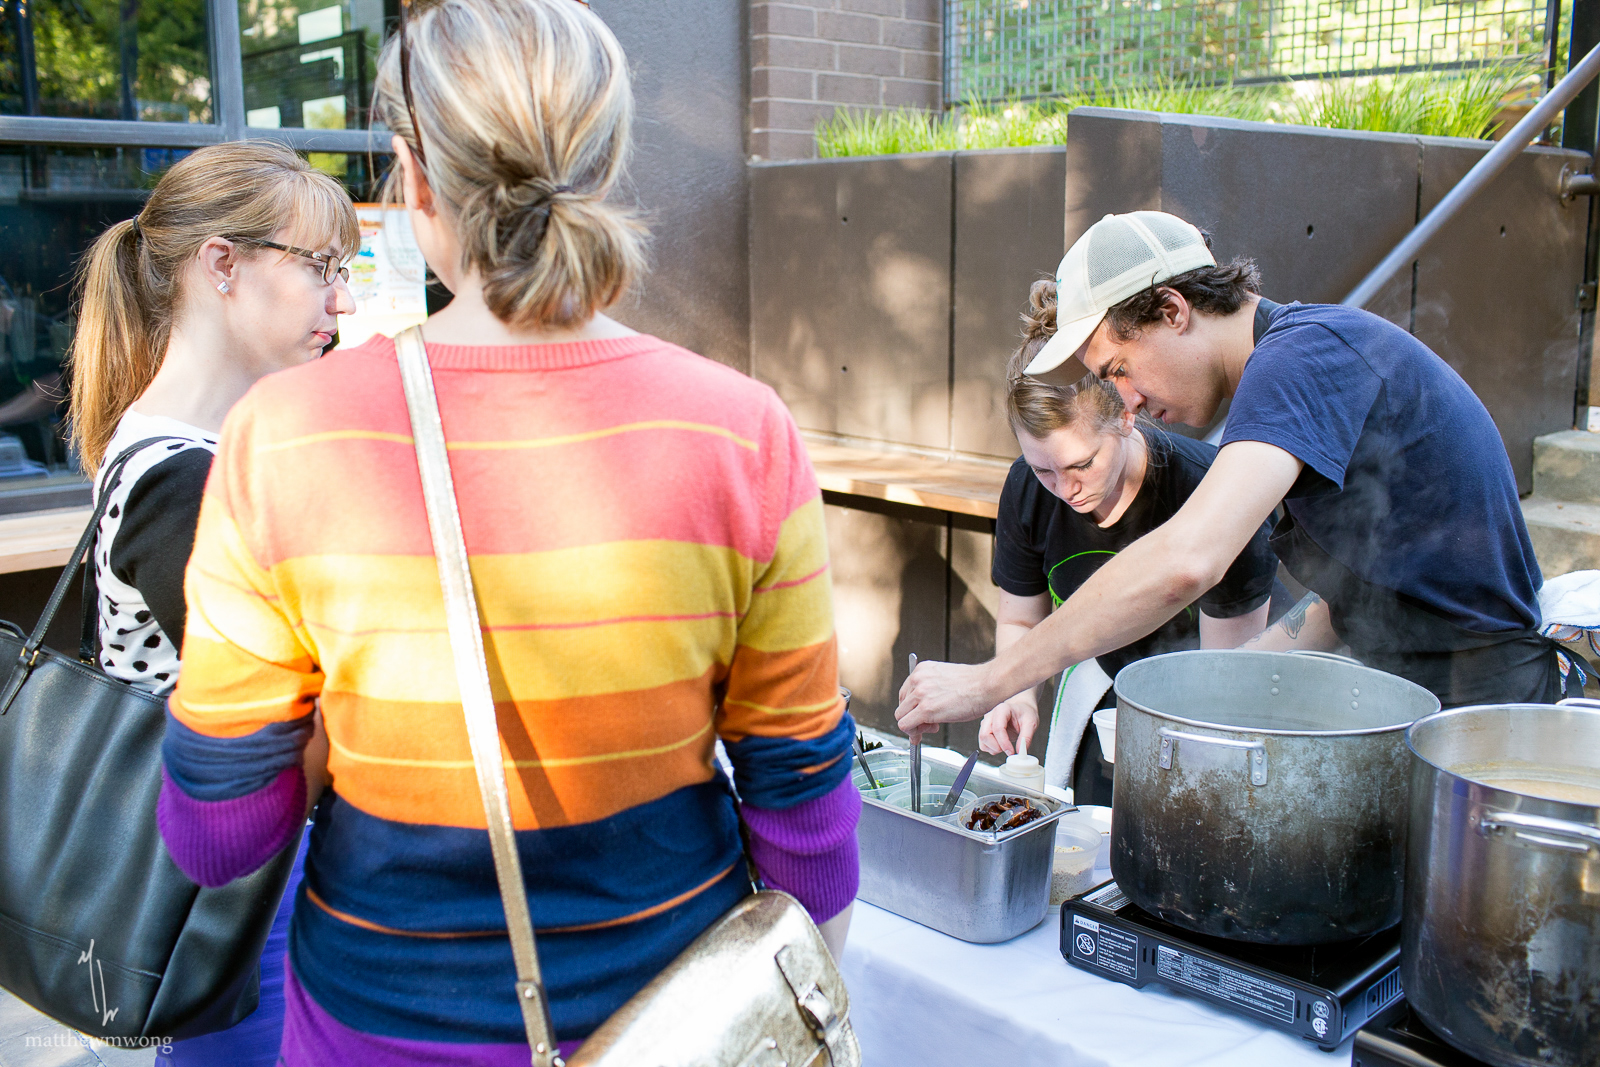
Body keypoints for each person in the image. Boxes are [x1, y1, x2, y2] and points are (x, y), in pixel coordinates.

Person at [156, 2, 858, 1064]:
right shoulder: (741, 430)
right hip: (673, 1020)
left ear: (414, 177)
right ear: (606, 160)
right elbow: (802, 815)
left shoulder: (280, 436)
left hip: (378, 1021)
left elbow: (219, 834)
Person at [898, 209, 1564, 738]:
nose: (1125, 401)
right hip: (1412, 691)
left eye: (1118, 370)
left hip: (1483, 712)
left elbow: (1189, 558)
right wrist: (1196, 696)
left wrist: (993, 680)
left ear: (1172, 309)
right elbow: (1348, 600)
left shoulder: (1299, 358)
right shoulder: (1284, 382)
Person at [66, 141, 357, 1066]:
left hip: (238, 887)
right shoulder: (179, 481)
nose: (339, 300)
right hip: (243, 899)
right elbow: (311, 696)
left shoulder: (187, 452)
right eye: (319, 268)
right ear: (221, 264)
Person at [978, 279, 1279, 801]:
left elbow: (1227, 677)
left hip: (1221, 710)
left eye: (1082, 464)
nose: (1064, 488)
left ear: (1125, 414)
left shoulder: (1208, 489)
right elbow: (1020, 617)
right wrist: (1017, 692)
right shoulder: (1027, 489)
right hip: (1109, 703)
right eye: (1043, 468)